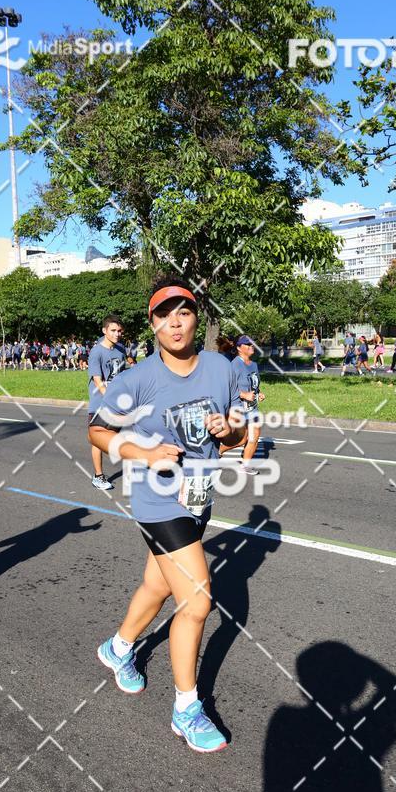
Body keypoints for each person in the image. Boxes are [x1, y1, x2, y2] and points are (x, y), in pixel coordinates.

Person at [88, 275, 245, 753]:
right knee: (196, 601)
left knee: (159, 584)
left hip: (198, 496)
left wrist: (230, 429)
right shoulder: (136, 379)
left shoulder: (222, 367)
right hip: (156, 501)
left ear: (197, 315)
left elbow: (238, 432)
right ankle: (186, 708)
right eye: (163, 315)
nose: (175, 323)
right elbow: (97, 431)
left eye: (184, 312)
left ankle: (117, 649)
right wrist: (141, 453)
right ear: (152, 324)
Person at [88, 316, 127, 490]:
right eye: (113, 330)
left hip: (119, 402)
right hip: (100, 404)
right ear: (104, 331)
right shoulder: (97, 352)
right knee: (97, 440)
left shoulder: (120, 349)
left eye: (119, 331)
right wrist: (111, 401)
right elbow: (98, 381)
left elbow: (124, 375)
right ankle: (98, 476)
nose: (117, 334)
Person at [225, 335, 265, 475]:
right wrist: (244, 395)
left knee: (254, 436)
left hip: (252, 408)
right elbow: (228, 387)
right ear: (238, 348)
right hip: (238, 407)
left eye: (252, 344)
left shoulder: (253, 365)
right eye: (247, 344)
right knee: (241, 439)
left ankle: (245, 465)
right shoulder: (234, 365)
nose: (251, 346)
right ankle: (216, 451)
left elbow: (254, 384)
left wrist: (258, 393)